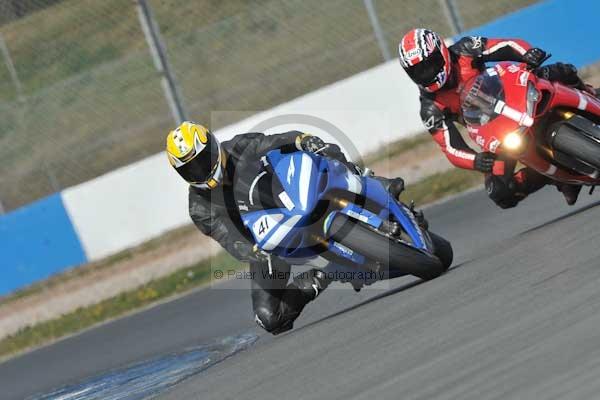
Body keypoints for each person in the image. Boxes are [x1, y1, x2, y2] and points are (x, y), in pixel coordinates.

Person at [166, 122, 404, 334]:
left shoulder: (238, 147)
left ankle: (370, 182)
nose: (200, 170)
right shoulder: (199, 206)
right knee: (269, 318)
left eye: (202, 160)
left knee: (320, 150)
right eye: (190, 169)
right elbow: (228, 238)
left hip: (292, 193)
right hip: (267, 241)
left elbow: (273, 141)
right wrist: (253, 251)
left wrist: (301, 139)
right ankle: (325, 275)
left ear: (213, 146)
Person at [398, 28, 596, 208]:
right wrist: (476, 160)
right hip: (496, 132)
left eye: (430, 65)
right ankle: (555, 177)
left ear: (441, 52)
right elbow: (450, 147)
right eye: (419, 71)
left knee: (562, 71)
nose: (428, 73)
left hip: (517, 94)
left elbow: (506, 45)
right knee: (501, 191)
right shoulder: (430, 107)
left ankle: (591, 94)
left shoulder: (465, 49)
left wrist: (527, 54)